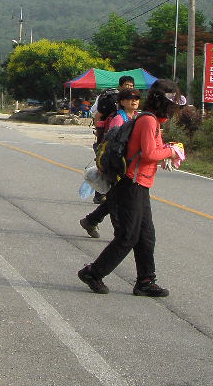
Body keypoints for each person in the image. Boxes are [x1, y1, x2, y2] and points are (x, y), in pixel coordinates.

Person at [77, 79, 185, 297]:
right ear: (163, 102)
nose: (175, 109)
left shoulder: (152, 121)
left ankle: (145, 281)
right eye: (173, 104)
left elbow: (151, 150)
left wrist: (166, 149)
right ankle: (93, 273)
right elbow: (149, 154)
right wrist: (171, 152)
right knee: (128, 236)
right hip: (130, 184)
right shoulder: (148, 121)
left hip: (140, 184)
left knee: (146, 235)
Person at [79, 88, 141, 238]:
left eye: (136, 98)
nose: (133, 101)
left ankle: (91, 220)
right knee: (118, 199)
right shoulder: (119, 119)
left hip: (130, 165)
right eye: (129, 98)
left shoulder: (137, 117)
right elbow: (113, 144)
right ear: (122, 101)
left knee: (116, 196)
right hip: (118, 165)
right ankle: (120, 233)